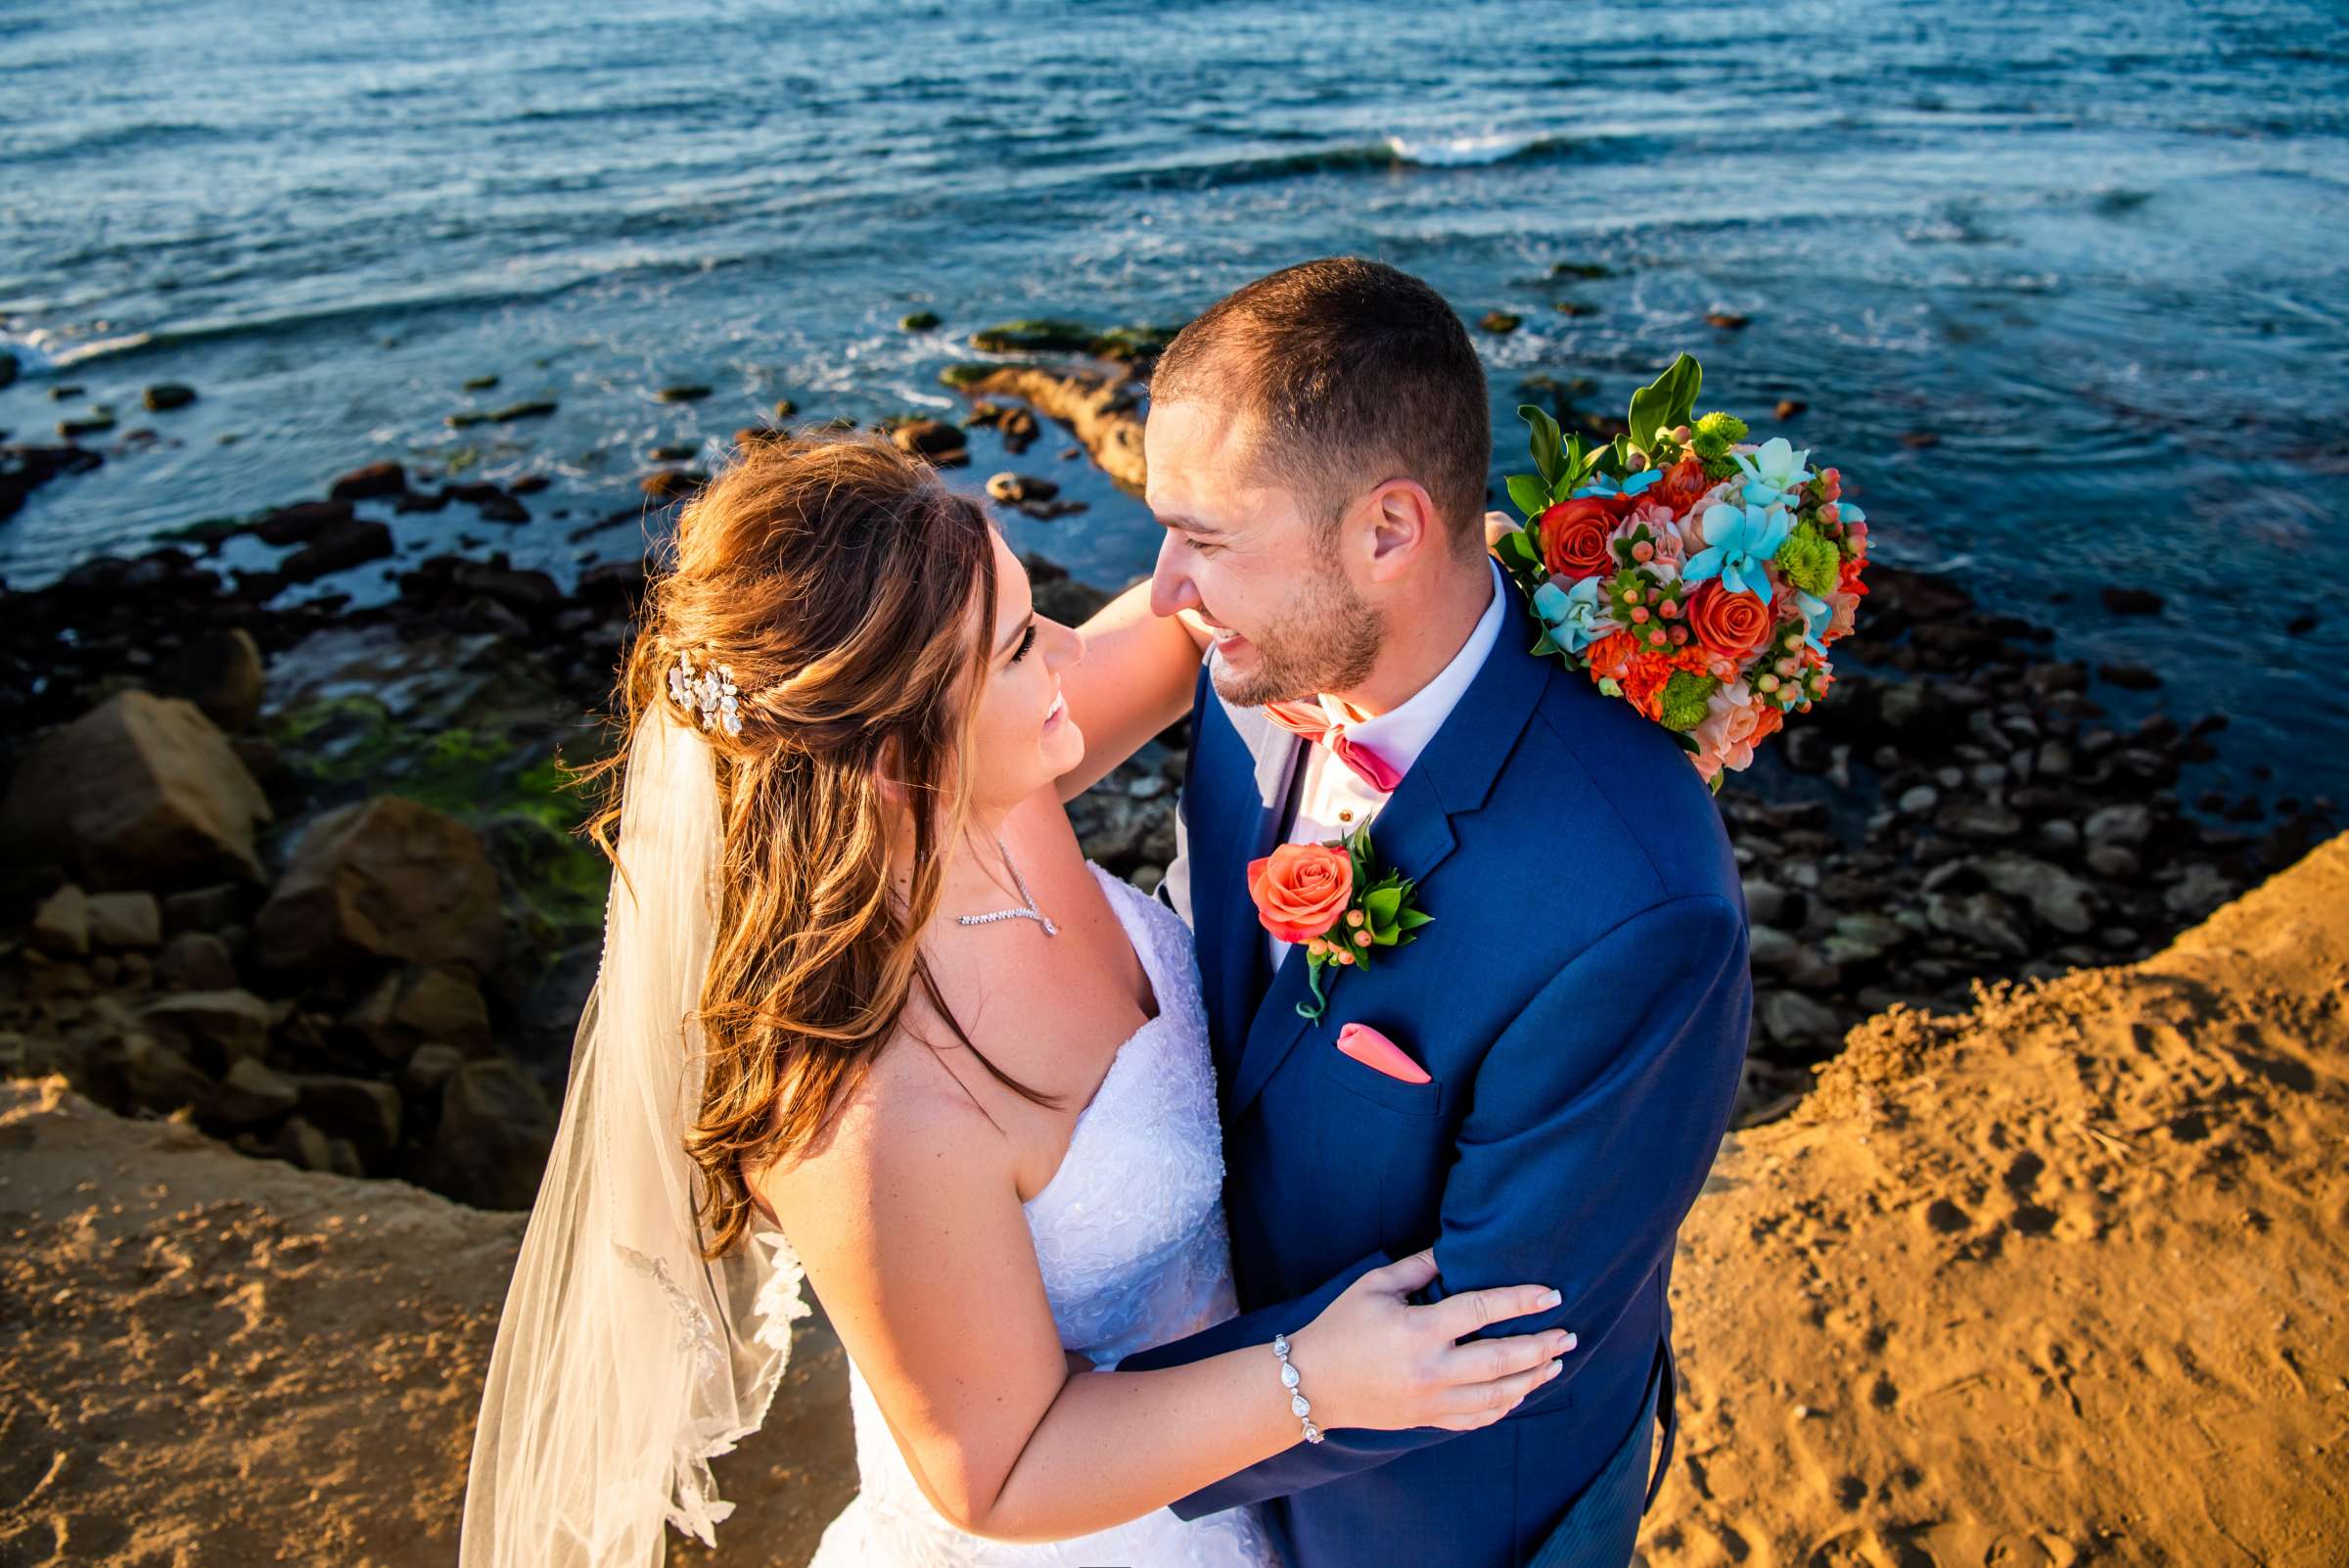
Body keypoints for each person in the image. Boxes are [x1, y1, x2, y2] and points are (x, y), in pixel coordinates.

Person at [456, 430, 1571, 1568]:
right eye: (1014, 649)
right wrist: (1317, 1380)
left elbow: (1187, 622)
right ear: (896, 752)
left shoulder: (1000, 773)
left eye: (1028, 611)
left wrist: (1476, 566)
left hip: (1263, 1476)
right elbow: (998, 1472)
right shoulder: (865, 1105)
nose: (1061, 652)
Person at [1110, 257, 1754, 1568]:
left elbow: (1494, 1328)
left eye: (1209, 540)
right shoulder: (1256, 664)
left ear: (1390, 531)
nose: (1164, 592)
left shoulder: (1637, 908)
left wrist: (1087, 1431)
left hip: (1439, 1524)